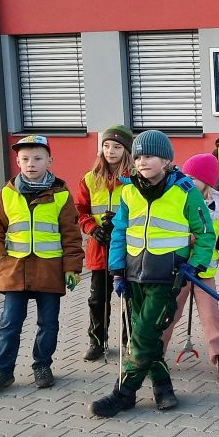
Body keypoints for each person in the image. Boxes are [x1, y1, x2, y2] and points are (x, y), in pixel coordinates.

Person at [90, 130, 215, 417]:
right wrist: (117, 270)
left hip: (167, 277)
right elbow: (120, 231)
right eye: (138, 157)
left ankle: (123, 393)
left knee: (144, 336)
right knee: (147, 336)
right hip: (134, 274)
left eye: (149, 156)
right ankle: (163, 387)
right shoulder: (129, 191)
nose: (142, 162)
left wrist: (193, 265)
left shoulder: (185, 191)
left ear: (167, 160)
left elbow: (205, 233)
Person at [0, 135, 84, 398]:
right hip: (15, 271)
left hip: (50, 271)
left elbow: (71, 236)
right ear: (17, 162)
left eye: (38, 158)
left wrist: (72, 268)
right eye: (25, 159)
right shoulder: (5, 195)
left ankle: (42, 365)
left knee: (48, 324)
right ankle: (2, 371)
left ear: (50, 161)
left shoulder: (61, 196)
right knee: (9, 324)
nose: (31, 164)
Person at [160, 153, 219, 384]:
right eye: (186, 176)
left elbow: (218, 237)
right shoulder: (178, 199)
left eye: (193, 178)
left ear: (207, 181)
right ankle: (153, 353)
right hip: (180, 269)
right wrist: (188, 239)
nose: (188, 180)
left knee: (211, 315)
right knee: (169, 312)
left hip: (204, 271)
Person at [76, 125, 134, 362]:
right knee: (98, 298)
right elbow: (80, 211)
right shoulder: (90, 179)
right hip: (99, 248)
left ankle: (130, 340)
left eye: (117, 147)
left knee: (129, 297)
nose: (110, 151)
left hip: (126, 248)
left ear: (126, 150)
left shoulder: (133, 180)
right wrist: (93, 228)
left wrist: (119, 222)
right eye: (106, 146)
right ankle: (97, 340)